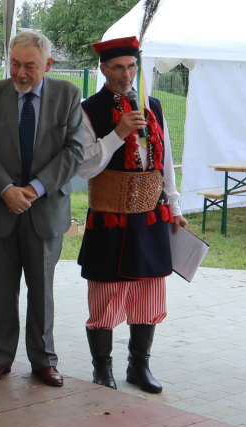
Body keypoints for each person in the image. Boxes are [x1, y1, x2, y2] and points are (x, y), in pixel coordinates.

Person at [0, 30, 83, 387]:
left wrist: (33, 189)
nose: (20, 73)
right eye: (14, 64)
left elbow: (74, 152)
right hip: (1, 210)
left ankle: (43, 361)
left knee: (42, 291)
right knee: (2, 290)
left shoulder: (68, 95)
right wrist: (6, 190)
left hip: (45, 210)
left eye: (29, 66)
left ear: (47, 65)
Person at [78, 36, 186, 393]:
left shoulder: (152, 105)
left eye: (132, 67)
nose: (127, 74)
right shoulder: (88, 110)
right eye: (119, 68)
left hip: (150, 217)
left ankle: (138, 366)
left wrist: (174, 205)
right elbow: (85, 167)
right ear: (104, 70)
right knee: (106, 292)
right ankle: (102, 368)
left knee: (149, 292)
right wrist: (119, 131)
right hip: (110, 216)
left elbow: (165, 163)